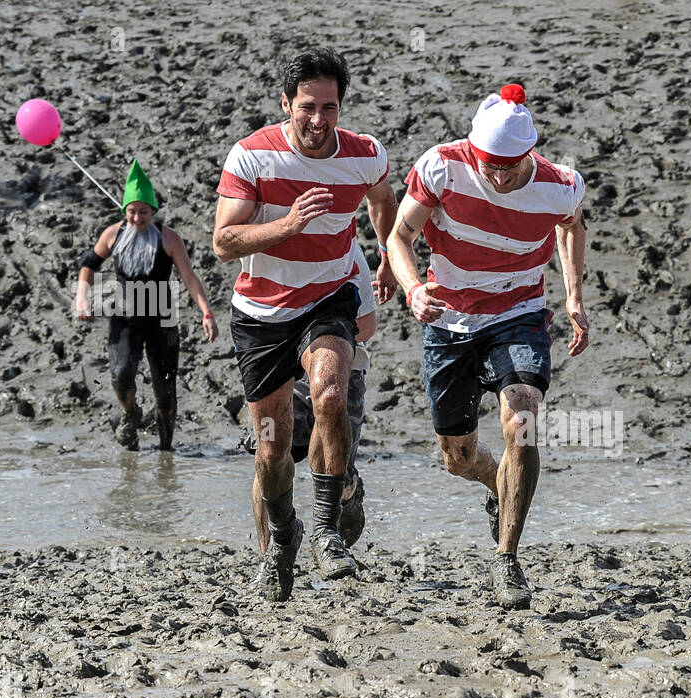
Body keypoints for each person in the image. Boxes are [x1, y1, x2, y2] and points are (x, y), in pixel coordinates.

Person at [386, 83, 589, 610]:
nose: (498, 177)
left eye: (510, 167)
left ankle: (507, 560)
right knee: (458, 458)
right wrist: (412, 288)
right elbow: (398, 237)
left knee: (523, 419)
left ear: (529, 154)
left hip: (517, 313)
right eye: (488, 165)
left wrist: (573, 294)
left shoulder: (559, 185)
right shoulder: (441, 168)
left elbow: (573, 228)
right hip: (448, 318)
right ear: (473, 150)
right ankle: (495, 482)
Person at [213, 48, 398, 602]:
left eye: (330, 108)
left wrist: (387, 255)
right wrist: (289, 224)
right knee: (271, 449)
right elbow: (224, 242)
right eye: (307, 108)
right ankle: (282, 539)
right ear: (285, 104)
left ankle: (325, 531)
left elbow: (384, 201)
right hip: (263, 313)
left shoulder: (364, 154)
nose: (319, 121)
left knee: (331, 395)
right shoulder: (251, 157)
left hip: (328, 299)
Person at [75, 159, 217, 451]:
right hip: (124, 317)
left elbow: (189, 278)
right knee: (121, 374)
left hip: (161, 320)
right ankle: (130, 414)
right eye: (131, 213)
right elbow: (88, 264)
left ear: (153, 211)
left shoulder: (169, 239)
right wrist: (82, 298)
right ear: (124, 212)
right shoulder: (113, 235)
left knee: (165, 390)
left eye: (143, 212)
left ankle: (166, 449)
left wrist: (206, 312)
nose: (137, 219)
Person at [250, 244, 376, 555]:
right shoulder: (273, 248)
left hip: (343, 376)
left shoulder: (348, 253)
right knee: (269, 458)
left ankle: (347, 495)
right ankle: (271, 556)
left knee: (341, 472)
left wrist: (323, 343)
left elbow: (369, 326)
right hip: (286, 376)